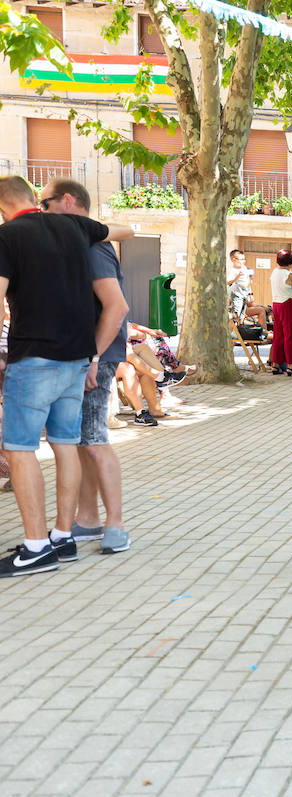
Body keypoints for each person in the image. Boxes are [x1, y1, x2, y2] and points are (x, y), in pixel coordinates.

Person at [0, 174, 133, 576]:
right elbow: (124, 229)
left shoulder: (7, 236)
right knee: (64, 443)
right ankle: (63, 537)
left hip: (34, 356)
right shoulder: (75, 226)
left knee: (20, 449)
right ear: (32, 199)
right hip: (77, 359)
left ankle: (37, 546)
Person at [40, 178, 134, 554]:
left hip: (96, 357)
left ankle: (115, 525)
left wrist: (93, 359)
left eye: (44, 204)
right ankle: (89, 520)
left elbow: (117, 307)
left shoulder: (92, 246)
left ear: (66, 201)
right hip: (86, 356)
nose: (41, 212)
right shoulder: (81, 242)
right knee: (81, 443)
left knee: (94, 442)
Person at [269, 249, 292, 376]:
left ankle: (276, 363)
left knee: (278, 335)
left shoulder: (275, 272)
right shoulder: (289, 275)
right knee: (290, 335)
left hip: (276, 304)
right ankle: (291, 365)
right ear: (290, 260)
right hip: (288, 304)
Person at [227, 249, 267, 328]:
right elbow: (228, 282)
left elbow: (247, 283)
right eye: (241, 259)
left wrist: (250, 294)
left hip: (245, 298)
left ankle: (262, 331)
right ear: (234, 260)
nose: (243, 261)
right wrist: (237, 276)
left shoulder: (243, 268)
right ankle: (263, 332)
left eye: (244, 259)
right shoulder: (234, 271)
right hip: (238, 302)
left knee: (262, 309)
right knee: (240, 317)